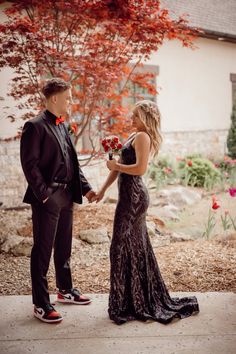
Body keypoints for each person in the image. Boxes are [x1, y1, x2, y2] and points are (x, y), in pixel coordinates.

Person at [95, 100, 199, 325]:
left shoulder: (143, 137)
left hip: (134, 198)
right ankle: (134, 300)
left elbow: (140, 169)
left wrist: (117, 167)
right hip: (127, 196)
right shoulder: (134, 136)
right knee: (133, 247)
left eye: (135, 116)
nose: (131, 119)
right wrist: (102, 189)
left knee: (119, 247)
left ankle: (128, 303)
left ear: (145, 118)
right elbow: (119, 167)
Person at [20, 78, 97, 323]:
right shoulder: (34, 126)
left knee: (64, 247)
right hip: (47, 198)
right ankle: (41, 304)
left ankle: (65, 290)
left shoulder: (64, 126)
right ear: (55, 99)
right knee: (42, 250)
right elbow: (30, 166)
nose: (72, 101)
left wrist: (86, 190)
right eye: (68, 97)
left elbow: (72, 163)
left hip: (67, 196)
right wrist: (44, 196)